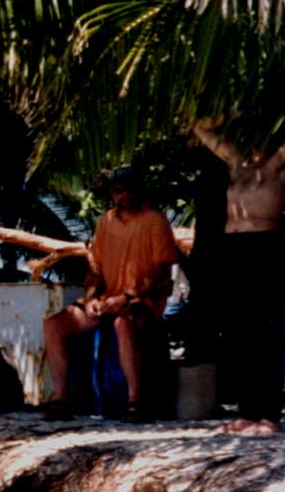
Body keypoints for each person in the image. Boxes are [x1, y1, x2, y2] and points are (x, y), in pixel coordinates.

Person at [192, 109, 285, 433]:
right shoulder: (238, 164)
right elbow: (201, 129)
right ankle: (247, 411)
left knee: (266, 333)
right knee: (238, 332)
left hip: (265, 248)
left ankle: (269, 415)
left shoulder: (280, 164)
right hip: (232, 248)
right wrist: (225, 112)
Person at [41, 166, 182, 422]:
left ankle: (135, 402)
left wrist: (126, 297)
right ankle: (62, 399)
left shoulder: (155, 220)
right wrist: (92, 298)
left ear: (139, 191)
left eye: (129, 189)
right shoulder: (105, 221)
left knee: (122, 324)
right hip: (108, 300)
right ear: (112, 193)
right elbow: (95, 271)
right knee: (54, 326)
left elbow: (161, 274)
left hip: (144, 302)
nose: (124, 195)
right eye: (118, 190)